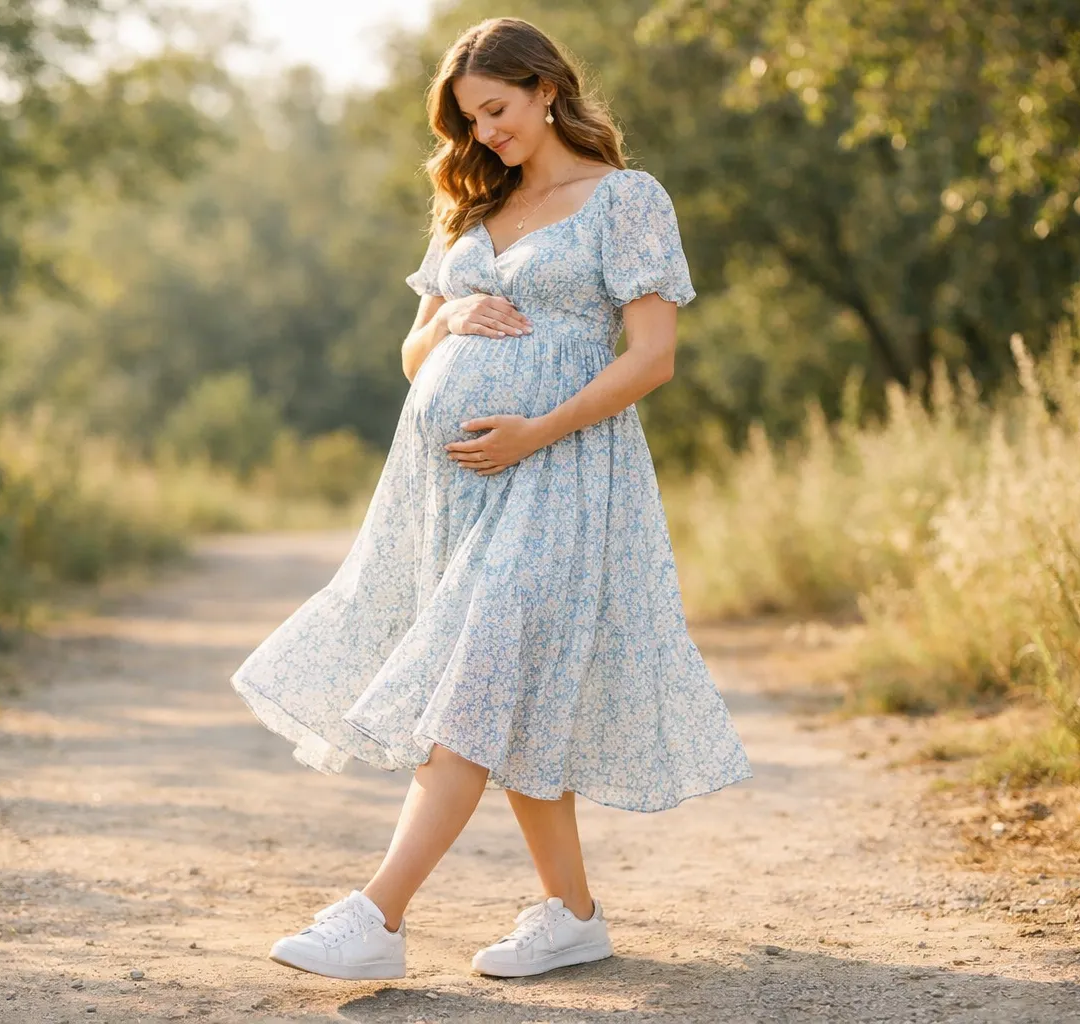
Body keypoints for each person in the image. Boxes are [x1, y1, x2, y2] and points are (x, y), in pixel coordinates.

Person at [228, 15, 753, 982]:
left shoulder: (624, 200)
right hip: (452, 496)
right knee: (512, 693)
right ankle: (572, 914)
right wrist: (453, 319)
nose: (485, 135)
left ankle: (378, 916)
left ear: (547, 89)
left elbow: (652, 357)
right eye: (470, 120)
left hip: (563, 473)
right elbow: (413, 353)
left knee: (473, 690)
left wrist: (532, 431)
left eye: (498, 110)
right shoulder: (471, 212)